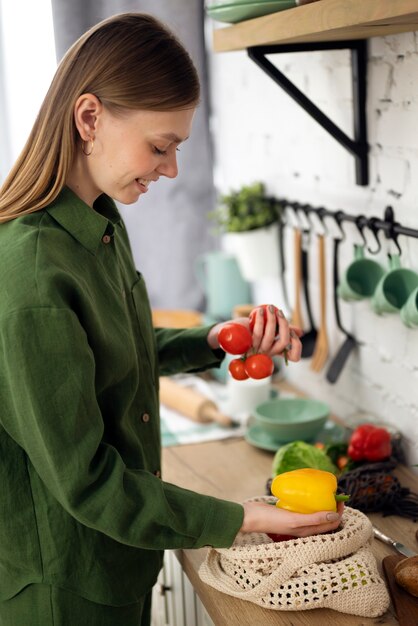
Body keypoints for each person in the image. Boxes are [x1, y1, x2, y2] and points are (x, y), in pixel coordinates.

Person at [0, 13, 343, 626]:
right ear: (89, 119)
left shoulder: (98, 224)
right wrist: (244, 517)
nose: (171, 169)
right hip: (65, 589)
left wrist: (212, 340)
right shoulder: (30, 272)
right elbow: (86, 483)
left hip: (118, 558)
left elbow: (111, 349)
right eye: (161, 146)